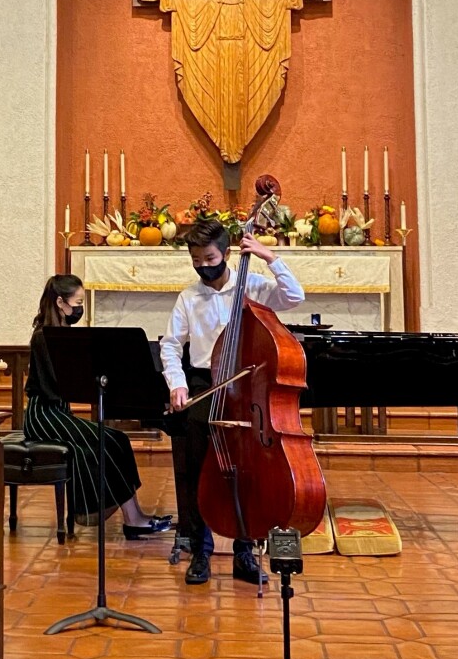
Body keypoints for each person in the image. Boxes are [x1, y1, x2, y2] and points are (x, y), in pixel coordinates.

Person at [160, 219, 305, 584]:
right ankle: (200, 551)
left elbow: (294, 296)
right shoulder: (188, 298)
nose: (202, 266)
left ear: (226, 254)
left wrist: (269, 257)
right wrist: (177, 384)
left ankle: (244, 552)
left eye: (209, 258)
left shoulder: (252, 287)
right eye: (195, 260)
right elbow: (171, 345)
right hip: (204, 384)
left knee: (248, 471)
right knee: (197, 470)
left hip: (246, 386)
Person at [24, 274, 171, 538]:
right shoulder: (43, 337)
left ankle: (135, 516)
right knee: (107, 441)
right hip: (43, 414)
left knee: (118, 439)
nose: (80, 309)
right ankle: (122, 517)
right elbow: (59, 384)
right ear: (60, 302)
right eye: (78, 302)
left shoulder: (63, 333)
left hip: (58, 412)